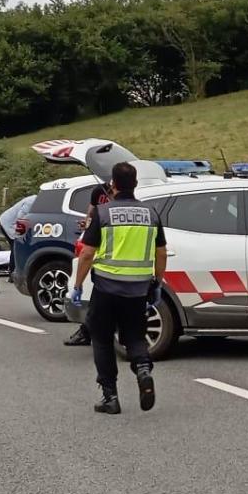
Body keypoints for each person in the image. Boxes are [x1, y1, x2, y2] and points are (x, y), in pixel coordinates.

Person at [73, 162, 166, 414]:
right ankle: (143, 369)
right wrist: (157, 281)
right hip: (138, 290)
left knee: (102, 339)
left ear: (112, 185)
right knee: (134, 337)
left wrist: (78, 285)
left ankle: (110, 397)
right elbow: (161, 252)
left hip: (106, 288)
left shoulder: (103, 213)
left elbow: (87, 253)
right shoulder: (151, 214)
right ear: (135, 184)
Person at [62, 183, 113, 347]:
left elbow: (87, 254)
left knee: (99, 302)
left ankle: (90, 333)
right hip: (103, 252)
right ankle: (87, 332)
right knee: (97, 300)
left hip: (110, 259)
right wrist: (87, 224)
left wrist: (77, 285)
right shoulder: (99, 191)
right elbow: (90, 213)